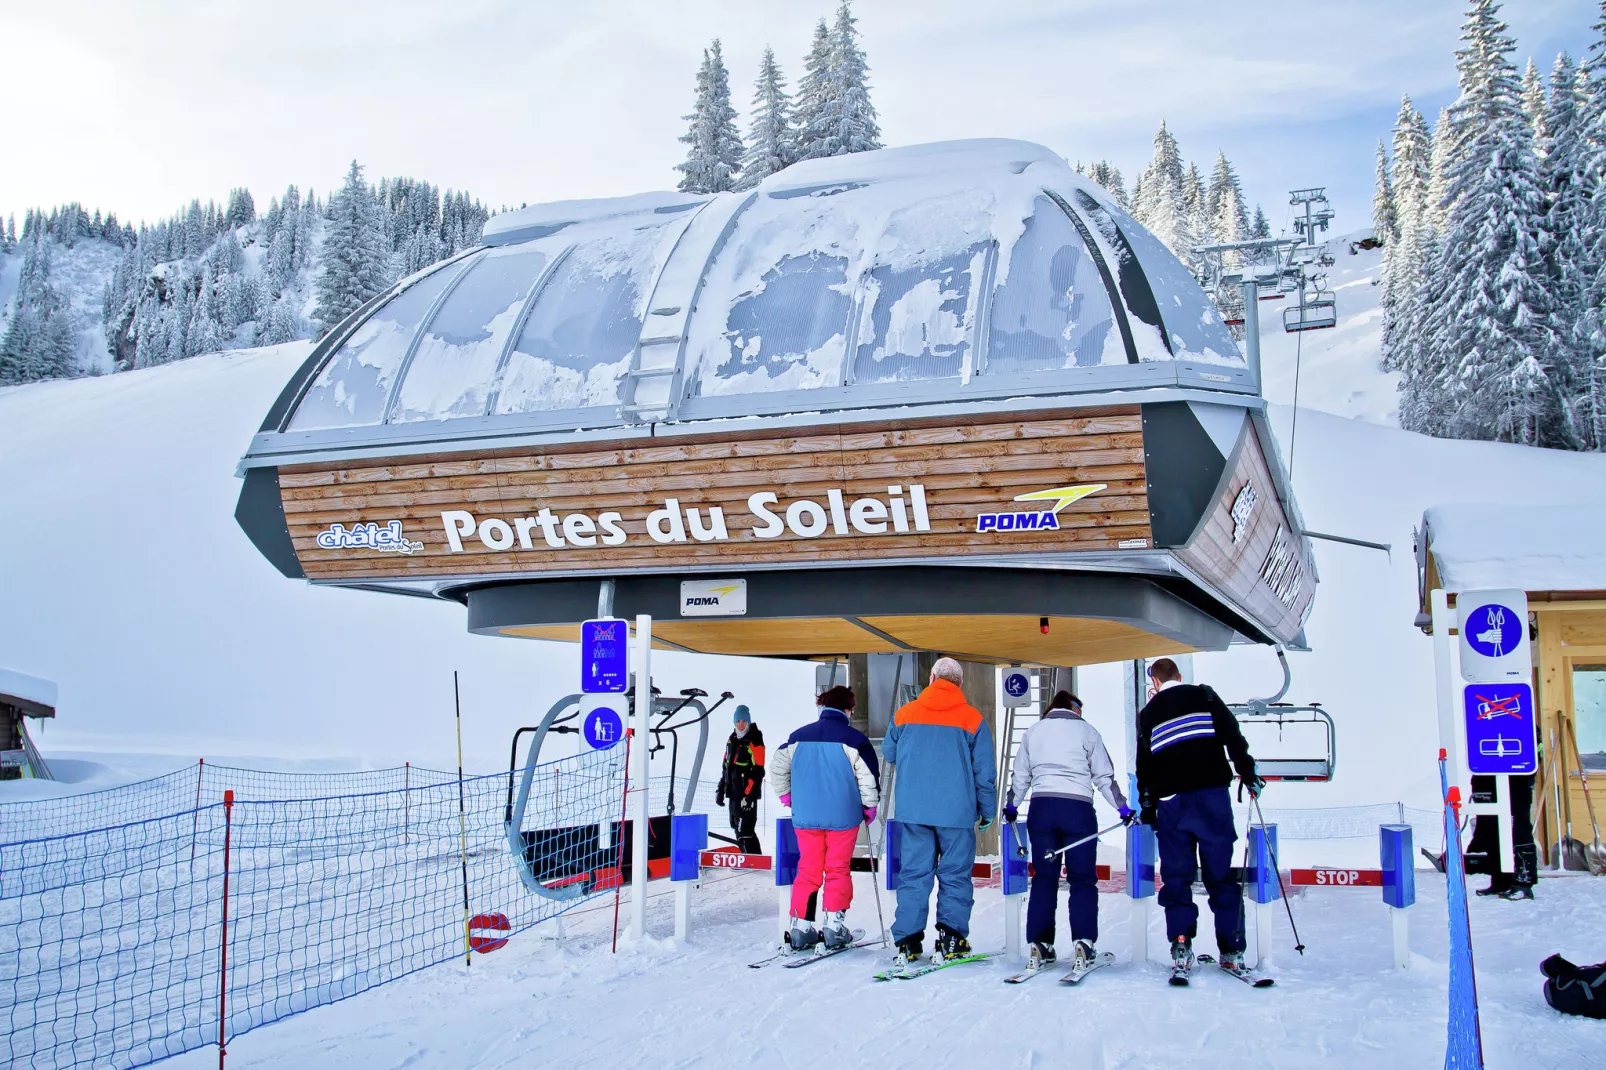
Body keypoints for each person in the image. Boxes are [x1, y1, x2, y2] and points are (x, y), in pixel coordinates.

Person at [1135, 657, 1262, 975]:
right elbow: (1233, 736)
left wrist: (1148, 807)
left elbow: (1144, 767)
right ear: (1179, 675)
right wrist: (1247, 773)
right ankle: (1232, 949)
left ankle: (1181, 943)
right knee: (1220, 876)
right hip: (1211, 799)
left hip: (1172, 804)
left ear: (1155, 683)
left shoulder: (1148, 714)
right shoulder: (1205, 696)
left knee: (1177, 878)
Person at [1006, 690, 1134, 970]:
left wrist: (1012, 806)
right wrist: (1123, 809)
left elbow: (1020, 777)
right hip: (1078, 811)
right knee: (1083, 879)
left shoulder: (1033, 732)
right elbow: (1104, 777)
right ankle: (1084, 942)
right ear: (1075, 709)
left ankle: (1039, 944)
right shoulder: (1088, 732)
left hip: (1042, 810)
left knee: (1043, 878)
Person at [883, 657, 997, 964]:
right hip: (957, 815)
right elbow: (984, 772)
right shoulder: (972, 719)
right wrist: (988, 811)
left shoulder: (904, 714)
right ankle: (952, 937)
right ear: (960, 683)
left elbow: (890, 753)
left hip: (914, 811)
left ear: (932, 678)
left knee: (914, 874)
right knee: (956, 875)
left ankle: (908, 941)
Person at [769, 685, 880, 950]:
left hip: (806, 817)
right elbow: (867, 778)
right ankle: (833, 926)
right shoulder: (853, 739)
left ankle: (801, 928)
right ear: (847, 709)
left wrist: (788, 798)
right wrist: (869, 808)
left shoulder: (797, 737)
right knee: (837, 869)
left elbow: (776, 769)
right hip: (843, 817)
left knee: (808, 869)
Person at [1464, 773, 1537, 899]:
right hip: (1485, 773)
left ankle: (1523, 883)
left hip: (1516, 774)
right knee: (1490, 829)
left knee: (1518, 827)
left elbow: (1532, 755)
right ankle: (1500, 881)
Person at [714, 705, 765, 854]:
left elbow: (758, 771)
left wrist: (749, 796)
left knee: (745, 829)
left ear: (748, 722)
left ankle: (754, 859)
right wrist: (721, 789)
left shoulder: (755, 740)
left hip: (746, 794)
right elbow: (726, 767)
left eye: (744, 721)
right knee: (736, 826)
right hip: (733, 793)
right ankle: (745, 858)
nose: (741, 724)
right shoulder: (732, 740)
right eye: (738, 721)